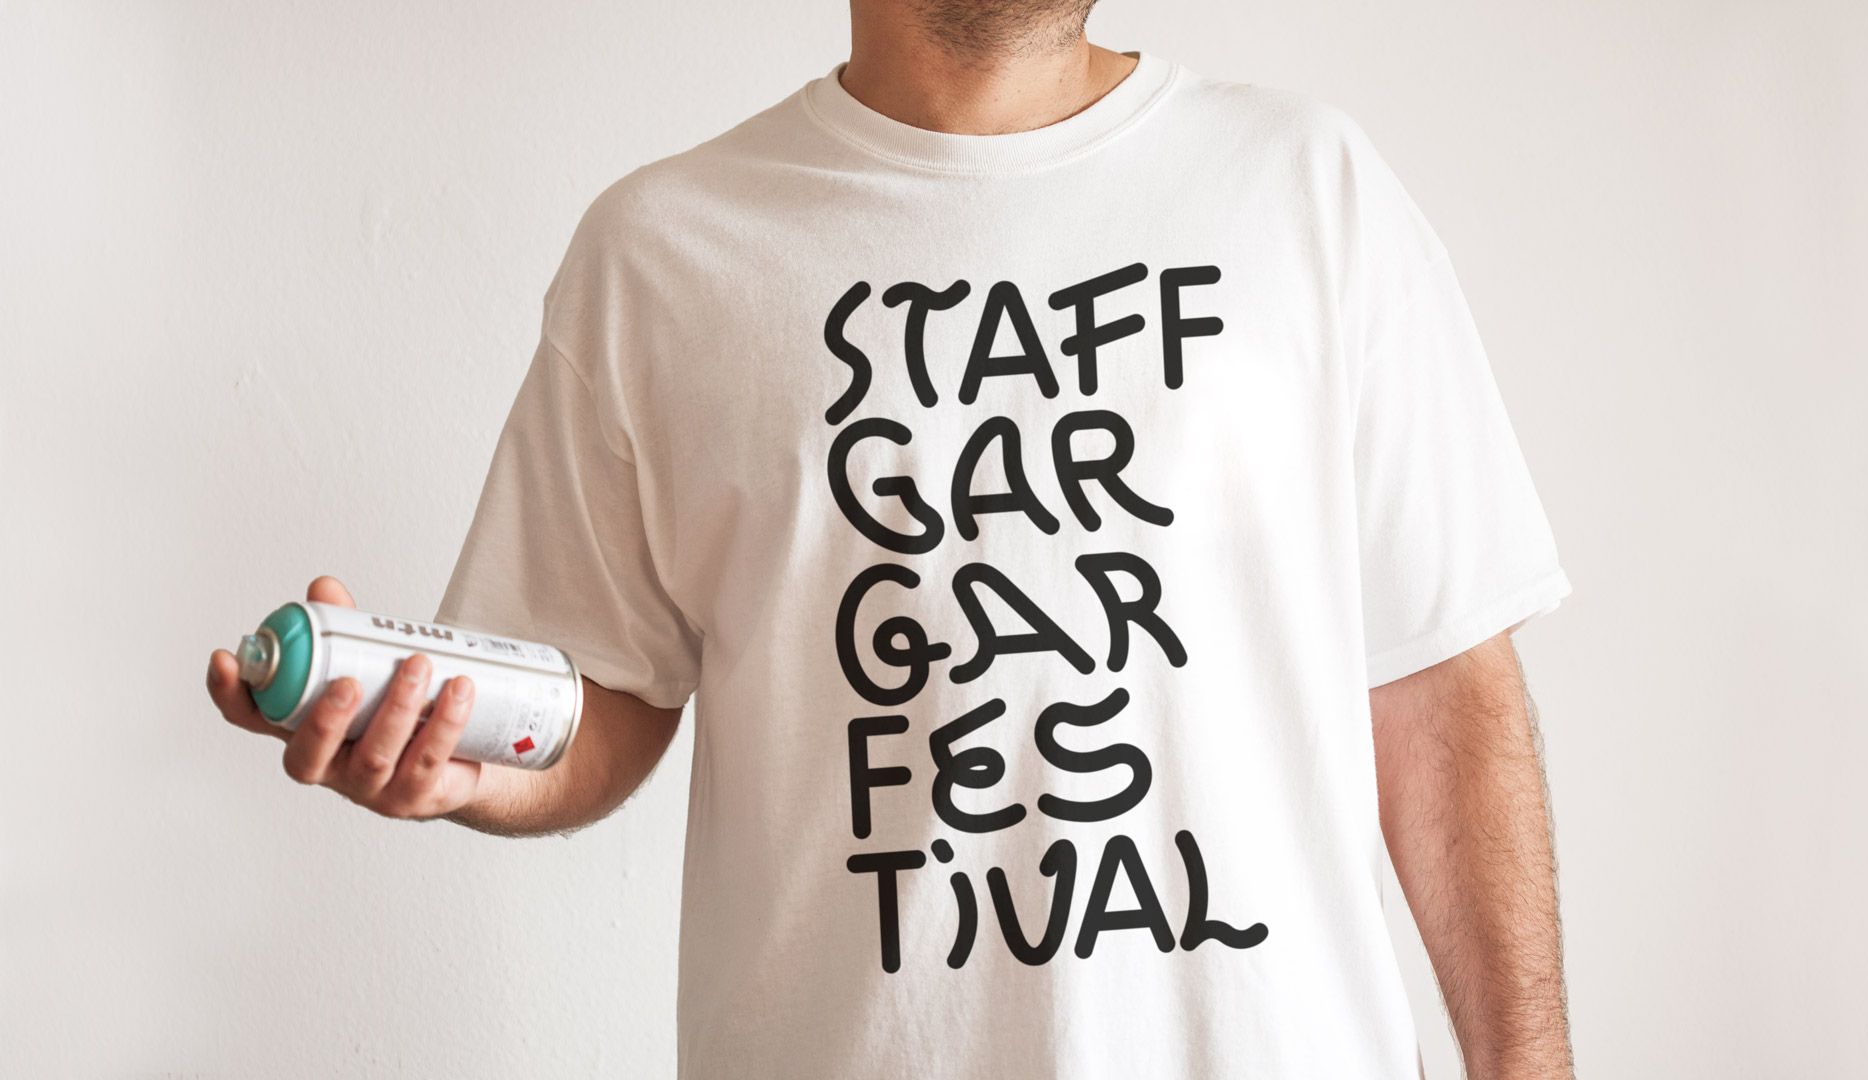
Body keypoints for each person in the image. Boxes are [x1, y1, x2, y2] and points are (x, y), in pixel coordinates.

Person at [206, 2, 1577, 1076]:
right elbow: (600, 695)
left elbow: (1446, 688)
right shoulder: (661, 251)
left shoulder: (1308, 189)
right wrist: (464, 761)